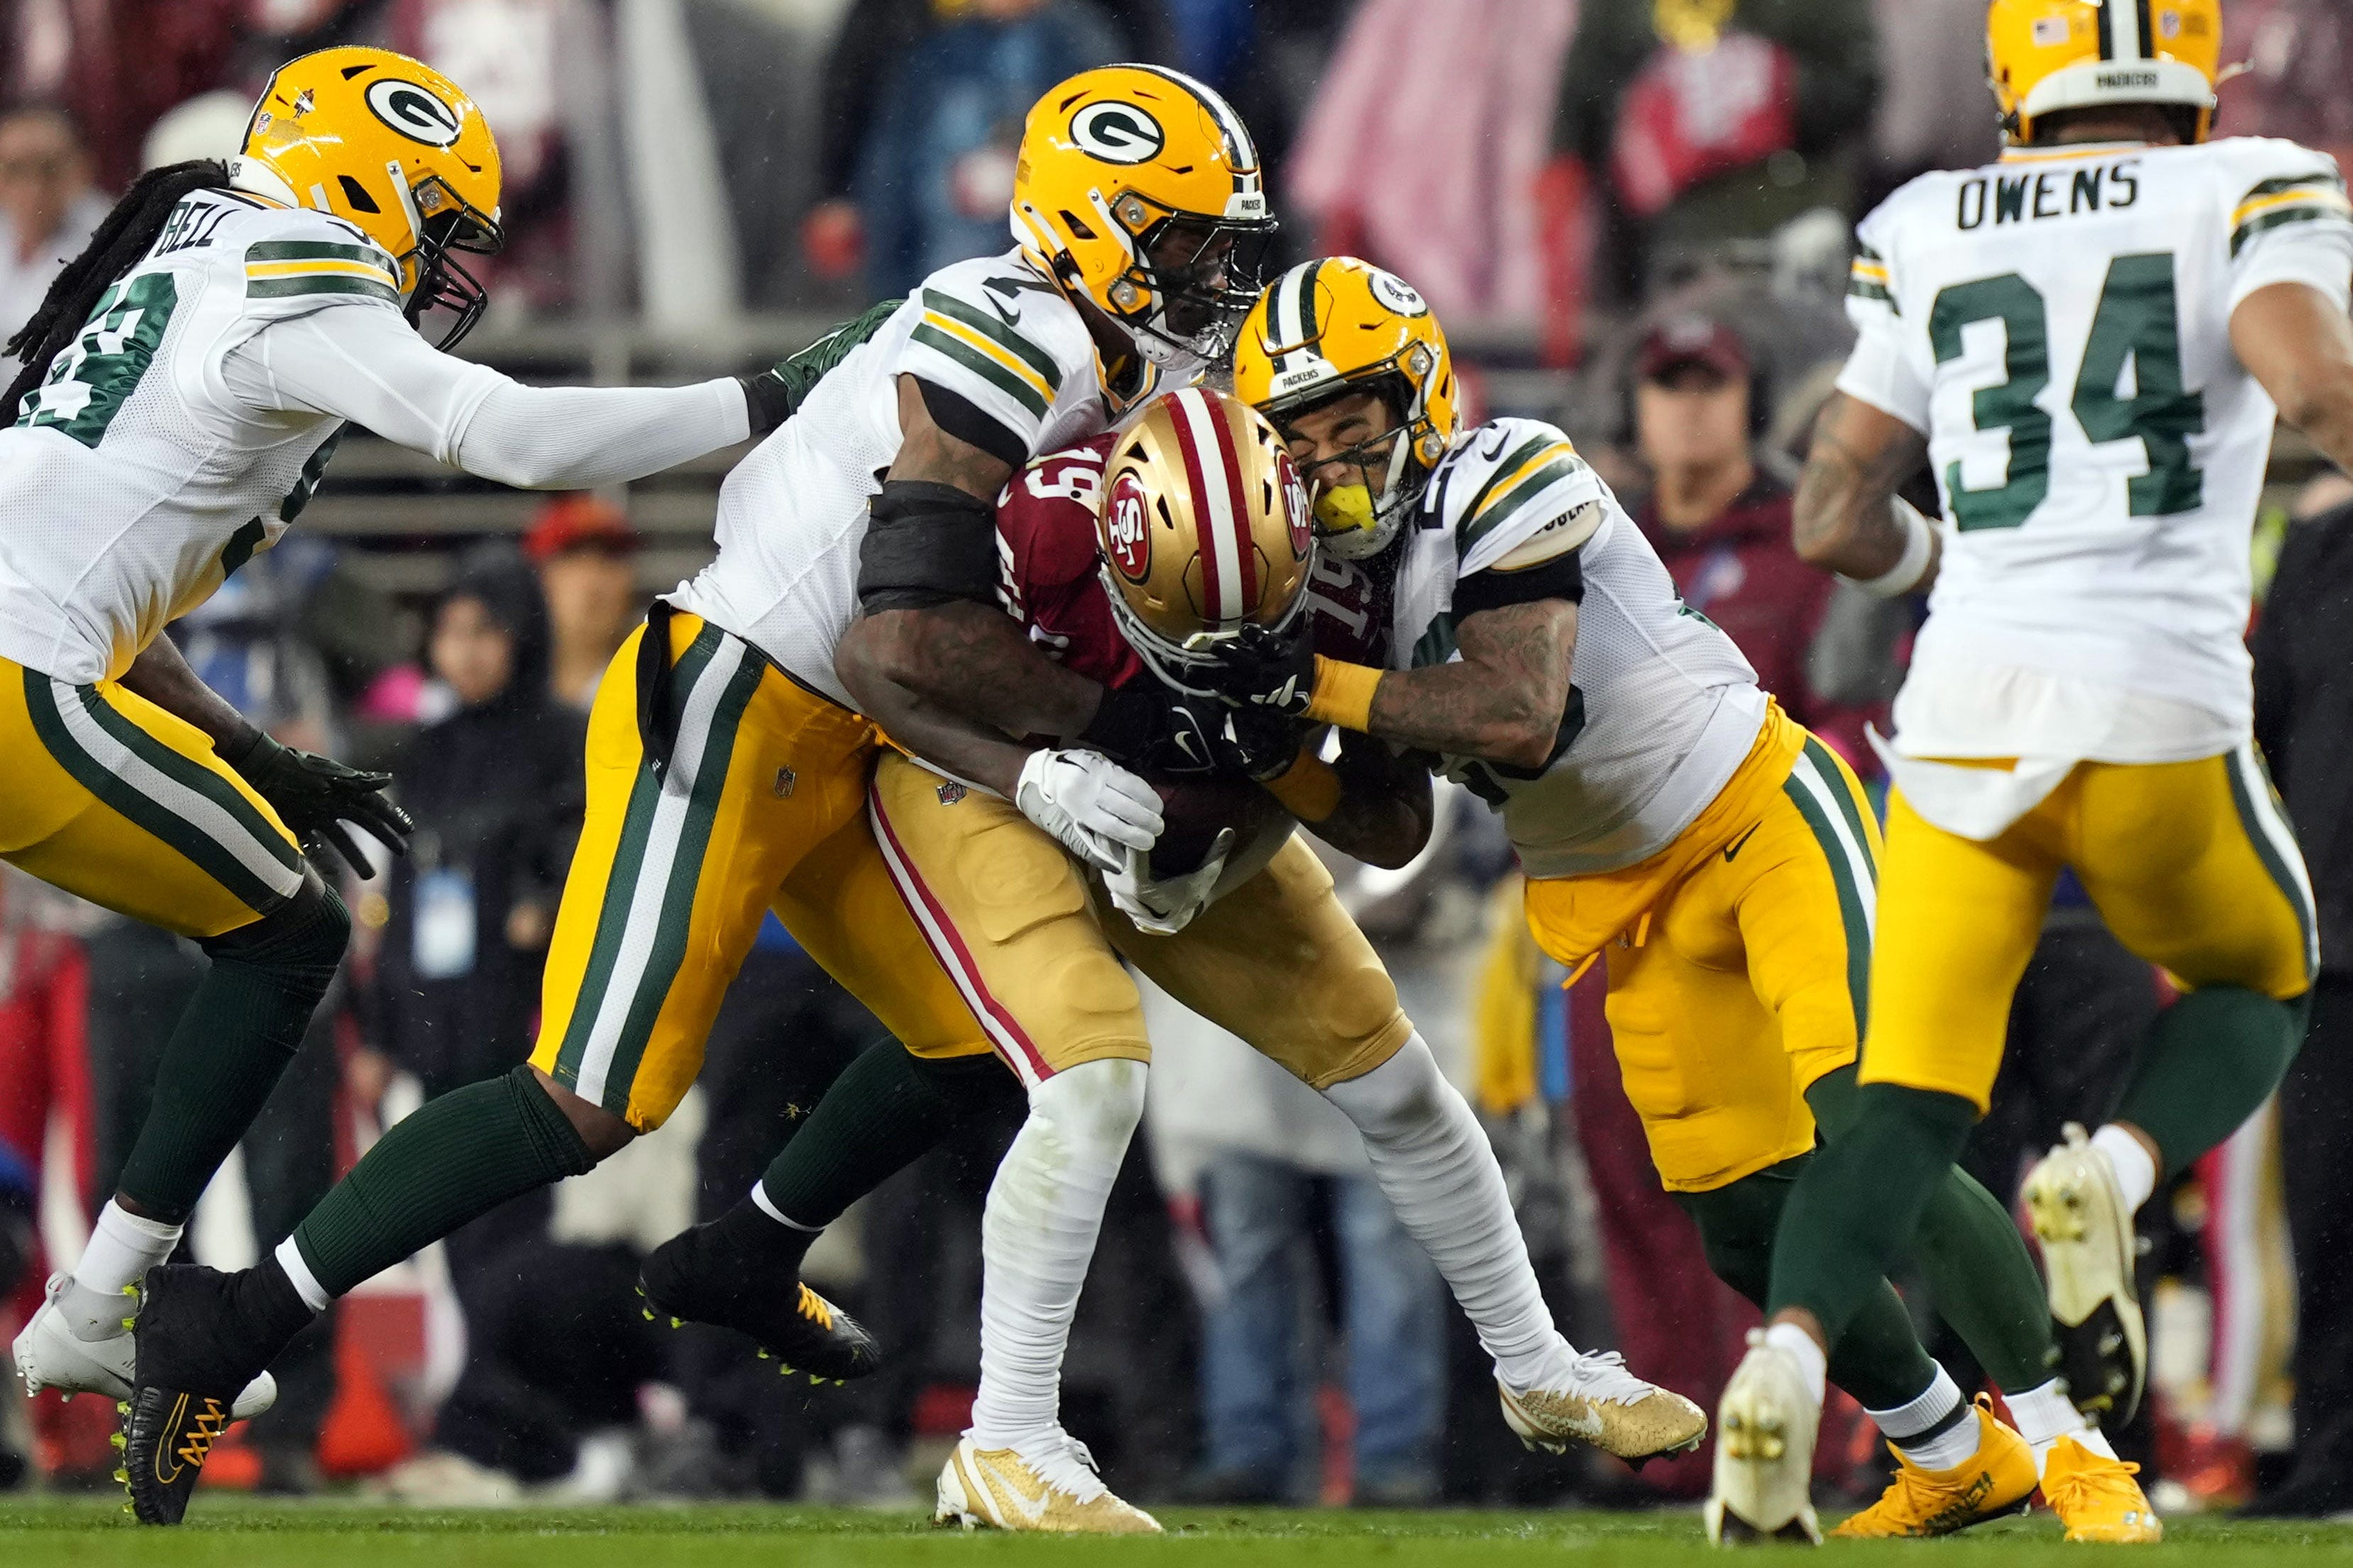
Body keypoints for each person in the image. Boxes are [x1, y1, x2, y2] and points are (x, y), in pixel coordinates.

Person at [120, 63, 1287, 1527]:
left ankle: (750, 1247)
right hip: (742, 691)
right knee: (589, 1099)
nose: (1210, 274)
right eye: (1182, 239)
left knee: (985, 1037)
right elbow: (905, 610)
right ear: (1091, 228)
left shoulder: (1112, 360)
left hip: (854, 723)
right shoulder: (1026, 333)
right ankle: (234, 1315)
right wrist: (1052, 756)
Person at [0, 44, 820, 1525]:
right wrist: (770, 397)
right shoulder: (293, 272)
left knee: (275, 917)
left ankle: (99, 1301)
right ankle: (101, 1301)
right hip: (17, 676)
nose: (443, 267)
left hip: (32, 650)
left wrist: (251, 748)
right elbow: (508, 436)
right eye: (434, 223)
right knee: (288, 932)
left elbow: (102, 562)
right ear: (365, 179)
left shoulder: (185, 244)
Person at [1199, 255, 2130, 1540]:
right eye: (1293, 439)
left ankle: (2074, 1442)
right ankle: (1952, 1453)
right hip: (1612, 895)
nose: (1323, 463)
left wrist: (1307, 686)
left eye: (1347, 422)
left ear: (1417, 395)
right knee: (1740, 1219)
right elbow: (1396, 819)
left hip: (1751, 816)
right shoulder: (1329, 592)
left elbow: (1516, 713)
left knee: (1875, 1132)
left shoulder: (1506, 469)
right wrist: (1273, 748)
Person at [835, 388, 1705, 1530]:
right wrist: (1033, 772)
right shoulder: (1048, 525)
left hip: (1177, 827)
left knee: (1398, 1082)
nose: (1211, 645)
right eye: (1182, 612)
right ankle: (1005, 1436)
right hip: (987, 791)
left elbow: (1393, 823)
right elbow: (881, 657)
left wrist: (1265, 787)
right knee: (1095, 1078)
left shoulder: (1342, 575)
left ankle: (1537, 1365)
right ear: (1119, 549)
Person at [1714, 0, 2353, 1543]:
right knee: (2264, 975)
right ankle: (2114, 1178)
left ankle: (1784, 1360)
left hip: (1960, 714)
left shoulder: (1930, 219)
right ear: (2185, 63)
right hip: (2149, 700)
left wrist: (1953, 563)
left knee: (1903, 1104)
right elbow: (2316, 390)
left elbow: (1829, 512)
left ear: (2018, 74)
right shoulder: (2245, 184)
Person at [2241, 490, 2353, 1516]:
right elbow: (2261, 725)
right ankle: (2329, 1459)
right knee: (2323, 1219)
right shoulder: (2317, 544)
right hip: (2333, 941)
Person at [1630, 311, 1870, 761]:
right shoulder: (1607, 547)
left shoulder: (1812, 542)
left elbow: (1854, 723)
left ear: (1752, 402)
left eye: (1711, 385)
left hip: (1769, 794)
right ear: (1635, 410)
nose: (1690, 406)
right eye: (1670, 386)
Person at [523, 495, 644, 710]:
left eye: (610, 559)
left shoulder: (653, 694)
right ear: (538, 576)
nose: (593, 583)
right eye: (572, 559)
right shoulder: (501, 693)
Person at [0, 105, 105, 341]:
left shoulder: (106, 243)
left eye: (48, 169)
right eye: (15, 170)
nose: (32, 186)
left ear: (81, 170)